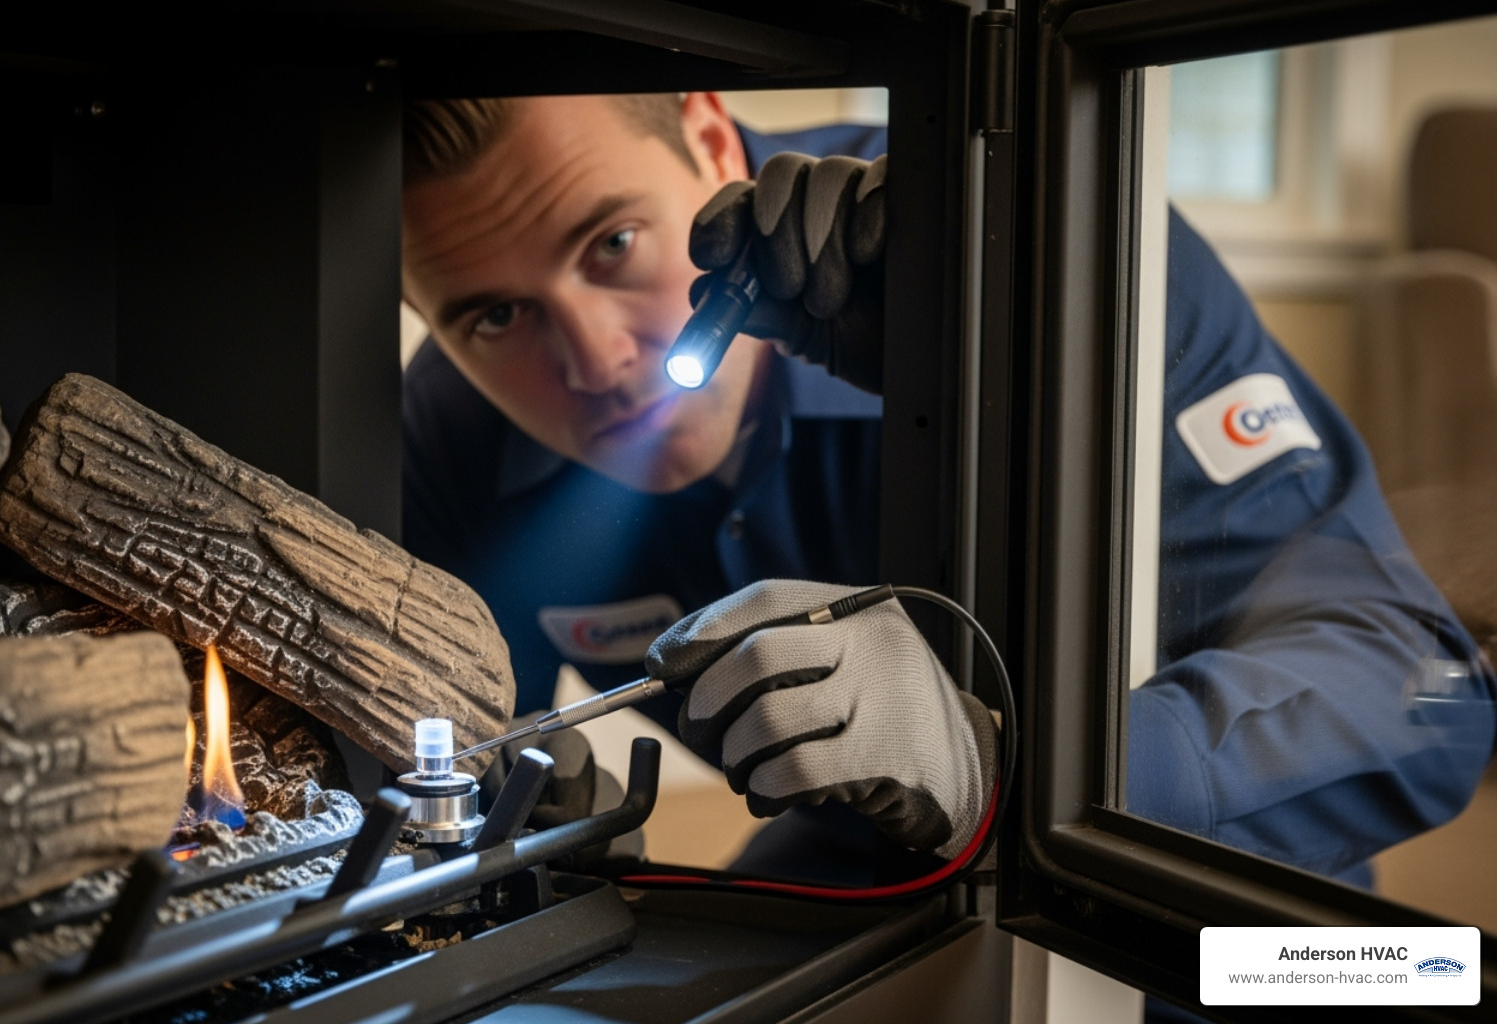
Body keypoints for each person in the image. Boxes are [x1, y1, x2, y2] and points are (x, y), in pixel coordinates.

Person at [400, 92, 1496, 883]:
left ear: (710, 134)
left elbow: (1423, 698)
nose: (595, 362)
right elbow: (448, 754)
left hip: (1207, 881)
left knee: (1415, 984)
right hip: (866, 860)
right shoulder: (450, 428)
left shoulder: (1063, 254)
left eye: (613, 243)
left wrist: (1007, 769)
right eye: (494, 315)